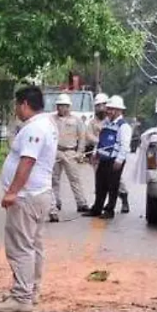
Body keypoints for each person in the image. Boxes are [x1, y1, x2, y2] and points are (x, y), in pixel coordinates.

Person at [0, 86, 58, 312]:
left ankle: (22, 296)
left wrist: (12, 191)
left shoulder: (35, 128)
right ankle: (31, 290)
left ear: (24, 104)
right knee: (33, 245)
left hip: (27, 196)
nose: (15, 110)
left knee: (20, 246)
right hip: (38, 193)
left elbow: (27, 161)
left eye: (16, 105)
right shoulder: (46, 124)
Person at [84, 95, 132, 220]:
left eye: (111, 109)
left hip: (114, 159)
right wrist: (95, 153)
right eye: (108, 109)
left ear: (119, 110)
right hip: (103, 158)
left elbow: (124, 146)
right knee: (100, 184)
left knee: (112, 185)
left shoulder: (123, 126)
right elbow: (101, 140)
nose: (108, 111)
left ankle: (109, 210)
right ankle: (97, 208)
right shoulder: (106, 123)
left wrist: (119, 160)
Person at [49, 94, 89, 222]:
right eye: (60, 105)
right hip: (56, 151)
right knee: (54, 179)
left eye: (64, 106)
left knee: (74, 178)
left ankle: (81, 202)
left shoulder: (76, 120)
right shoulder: (51, 119)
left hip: (70, 152)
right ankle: (55, 202)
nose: (62, 108)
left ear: (69, 106)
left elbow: (82, 136)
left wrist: (80, 151)